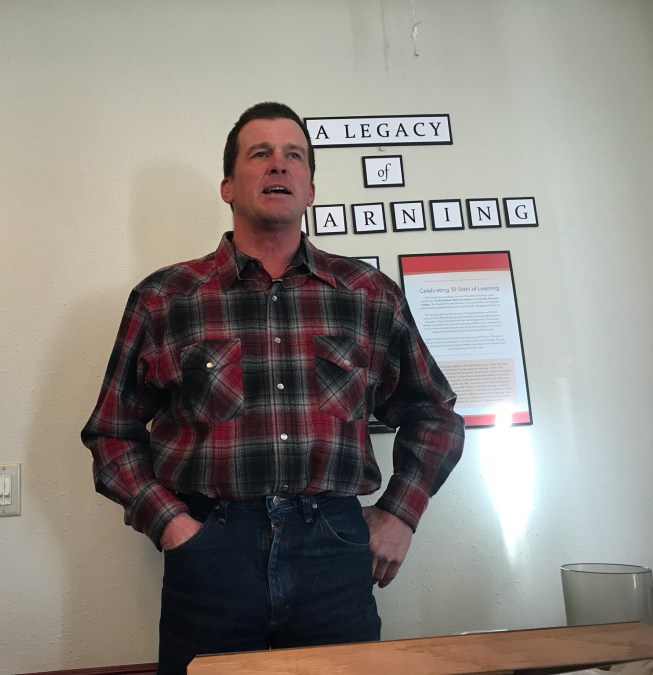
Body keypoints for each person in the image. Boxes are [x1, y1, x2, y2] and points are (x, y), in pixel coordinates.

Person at [81, 102, 464, 674]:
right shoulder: (165, 298)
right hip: (210, 551)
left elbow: (434, 414)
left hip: (335, 548)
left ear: (311, 188)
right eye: (260, 153)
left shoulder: (368, 295)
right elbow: (111, 433)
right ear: (228, 187)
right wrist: (173, 526)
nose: (278, 165)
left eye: (294, 156)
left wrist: (399, 514)